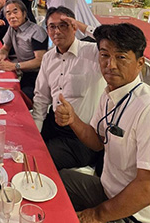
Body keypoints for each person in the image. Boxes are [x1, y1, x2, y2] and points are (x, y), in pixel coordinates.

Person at [56, 24, 150, 223]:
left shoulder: (146, 108)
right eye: (105, 55)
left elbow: (146, 186)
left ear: (140, 63)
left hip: (132, 212)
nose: (111, 65)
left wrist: (97, 215)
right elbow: (98, 141)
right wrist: (73, 120)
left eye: (121, 57)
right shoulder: (109, 94)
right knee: (55, 181)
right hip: (105, 189)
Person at [32, 7, 106, 170]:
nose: (57, 31)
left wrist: (83, 27)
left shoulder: (93, 53)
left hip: (82, 137)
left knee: (38, 161)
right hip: (53, 126)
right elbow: (41, 98)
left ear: (74, 27)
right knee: (23, 148)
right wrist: (36, 132)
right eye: (52, 26)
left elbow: (116, 42)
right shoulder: (48, 57)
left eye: (63, 25)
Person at [0, 0, 48, 100]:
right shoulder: (12, 28)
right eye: (8, 13)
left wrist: (15, 66)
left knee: (17, 98)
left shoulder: (36, 32)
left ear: (24, 13)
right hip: (24, 72)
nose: (12, 16)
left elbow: (40, 61)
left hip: (37, 77)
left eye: (15, 12)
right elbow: (5, 47)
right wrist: (1, 55)